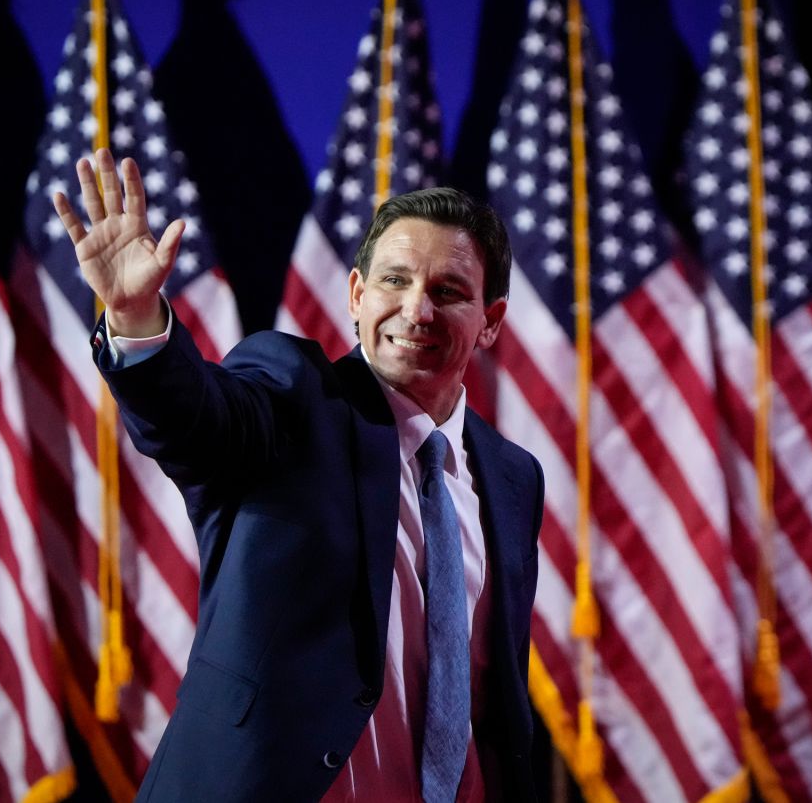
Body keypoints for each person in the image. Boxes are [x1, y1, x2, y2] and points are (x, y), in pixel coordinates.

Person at [52, 148, 544, 801]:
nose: (417, 309)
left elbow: (494, 690)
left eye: (448, 291)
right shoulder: (293, 392)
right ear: (356, 295)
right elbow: (197, 421)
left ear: (491, 321)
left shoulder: (513, 478)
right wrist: (137, 321)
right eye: (395, 281)